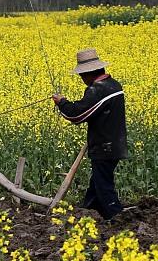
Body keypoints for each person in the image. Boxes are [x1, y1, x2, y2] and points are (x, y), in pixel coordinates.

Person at [52, 48, 127, 220]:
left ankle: (117, 217)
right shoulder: (114, 85)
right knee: (97, 182)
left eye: (81, 75)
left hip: (105, 146)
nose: (82, 79)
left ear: (88, 73)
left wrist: (62, 103)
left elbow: (77, 114)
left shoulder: (98, 90)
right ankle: (88, 210)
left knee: (104, 185)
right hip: (115, 143)